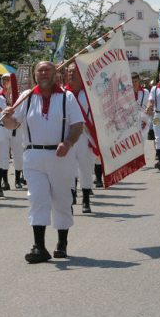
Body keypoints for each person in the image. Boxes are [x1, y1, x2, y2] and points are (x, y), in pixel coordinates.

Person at [3, 61, 84, 263]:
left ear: (55, 73)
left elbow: (78, 125)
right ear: (35, 75)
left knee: (62, 199)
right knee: (37, 199)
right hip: (33, 154)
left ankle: (62, 242)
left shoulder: (67, 97)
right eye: (40, 70)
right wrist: (7, 118)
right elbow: (14, 124)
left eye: (48, 69)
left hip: (60, 155)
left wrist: (68, 142)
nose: (44, 73)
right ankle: (39, 246)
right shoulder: (27, 97)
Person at [66, 63, 95, 214]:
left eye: (74, 72)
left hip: (85, 135)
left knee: (85, 168)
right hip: (69, 136)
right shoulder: (63, 93)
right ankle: (70, 199)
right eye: (69, 72)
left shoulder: (89, 93)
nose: (71, 74)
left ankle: (86, 199)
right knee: (69, 169)